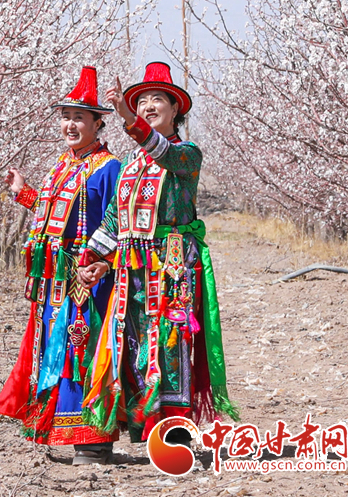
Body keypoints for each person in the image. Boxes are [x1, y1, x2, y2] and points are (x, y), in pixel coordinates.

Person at [77, 62, 238, 445]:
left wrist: (128, 118)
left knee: (170, 342)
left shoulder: (187, 155)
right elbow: (115, 218)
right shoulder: (131, 165)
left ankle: (174, 432)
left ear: (175, 109)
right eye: (142, 101)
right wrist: (95, 260)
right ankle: (143, 424)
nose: (148, 106)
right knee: (133, 342)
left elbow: (161, 150)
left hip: (172, 265)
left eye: (157, 100)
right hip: (131, 270)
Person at [0, 66, 122, 465]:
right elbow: (55, 217)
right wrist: (24, 193)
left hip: (87, 277)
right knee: (54, 351)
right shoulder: (62, 165)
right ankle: (59, 429)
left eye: (79, 117)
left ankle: (94, 439)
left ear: (98, 123)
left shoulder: (108, 167)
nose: (70, 125)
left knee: (82, 351)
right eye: (66, 117)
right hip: (53, 279)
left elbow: (118, 219)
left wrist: (101, 262)